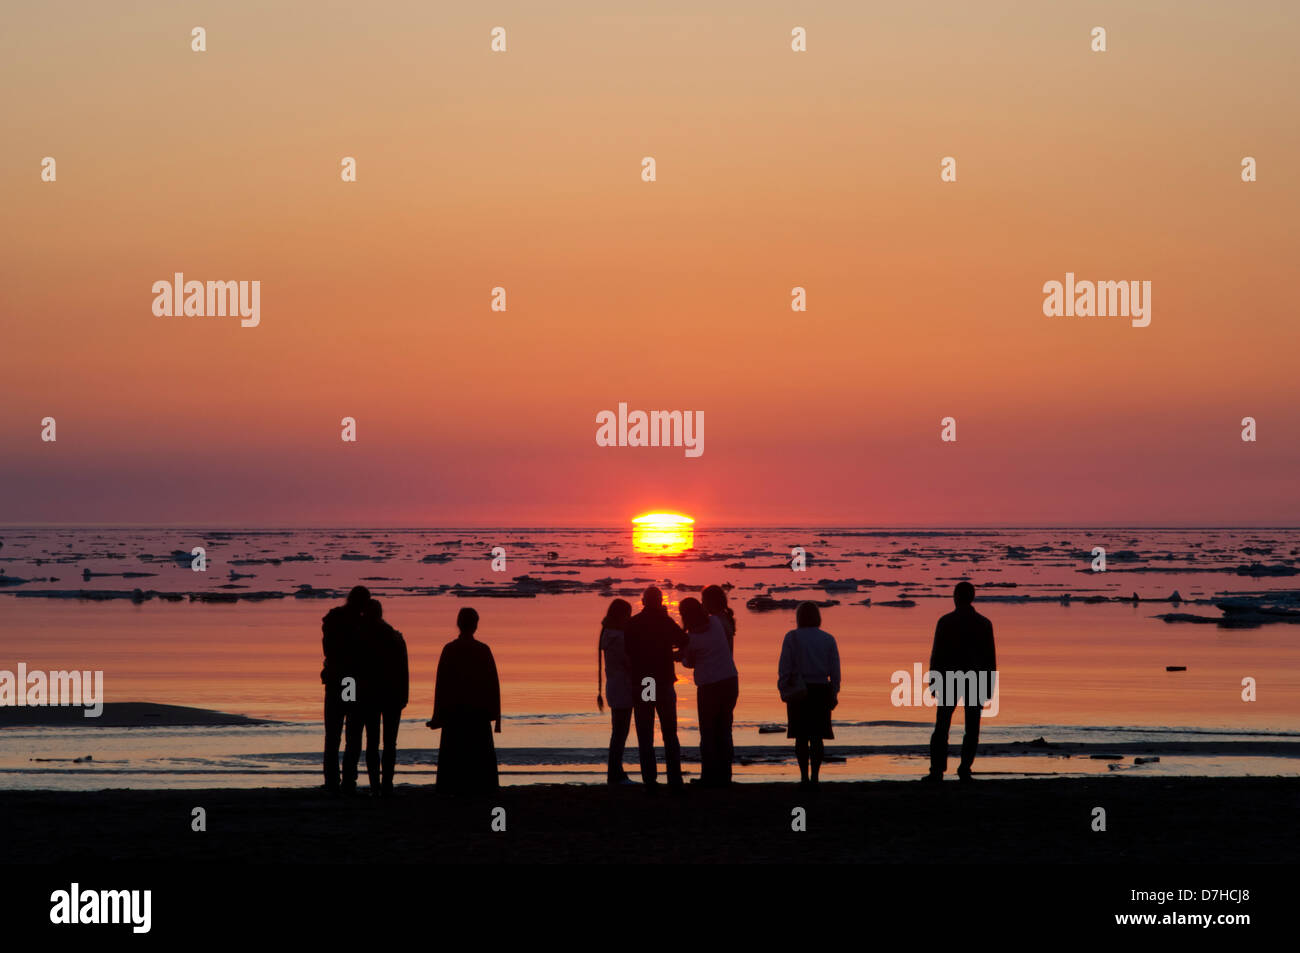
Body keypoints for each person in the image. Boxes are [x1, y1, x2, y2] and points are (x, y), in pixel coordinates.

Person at [923, 581, 997, 783]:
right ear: (972, 597)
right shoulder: (983, 623)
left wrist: (933, 679)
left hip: (950, 678)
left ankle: (937, 770)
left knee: (942, 727)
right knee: (971, 729)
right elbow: (990, 658)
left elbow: (937, 654)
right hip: (975, 678)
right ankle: (964, 768)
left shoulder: (946, 622)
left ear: (956, 597)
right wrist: (989, 685)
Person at [427, 607, 501, 794]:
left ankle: (453, 788)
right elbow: (493, 685)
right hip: (477, 713)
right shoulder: (483, 650)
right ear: (475, 625)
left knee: (454, 754)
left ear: (458, 624)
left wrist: (438, 715)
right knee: (479, 754)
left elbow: (441, 686)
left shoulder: (450, 649)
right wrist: (495, 714)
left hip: (455, 713)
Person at [624, 586, 687, 789]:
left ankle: (649, 779)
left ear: (643, 602)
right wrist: (673, 653)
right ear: (660, 602)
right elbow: (683, 640)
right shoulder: (665, 621)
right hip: (663, 680)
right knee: (669, 732)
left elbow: (627, 650)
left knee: (645, 731)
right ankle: (675, 779)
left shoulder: (633, 623)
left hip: (646, 681)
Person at [778, 602, 841, 787]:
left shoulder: (791, 637)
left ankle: (804, 777)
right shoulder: (828, 639)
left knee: (801, 737)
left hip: (799, 690)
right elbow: (835, 670)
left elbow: (784, 667)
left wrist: (783, 687)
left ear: (799, 617)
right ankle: (815, 777)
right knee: (817, 737)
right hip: (821, 689)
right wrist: (834, 691)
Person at [680, 597, 739, 787]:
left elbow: (689, 662)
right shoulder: (715, 622)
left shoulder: (692, 639)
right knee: (724, 730)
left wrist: (680, 656)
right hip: (729, 680)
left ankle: (708, 776)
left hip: (709, 687)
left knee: (708, 733)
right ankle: (725, 775)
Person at [320, 585, 369, 791]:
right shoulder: (360, 623)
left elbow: (328, 649)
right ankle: (348, 779)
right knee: (352, 732)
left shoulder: (334, 619)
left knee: (333, 733)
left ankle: (332, 780)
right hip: (349, 681)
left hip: (335, 679)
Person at [360, 598, 408, 796]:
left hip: (370, 696)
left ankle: (375, 785)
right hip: (392, 696)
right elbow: (404, 671)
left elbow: (357, 670)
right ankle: (386, 784)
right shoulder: (395, 637)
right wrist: (404, 696)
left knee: (372, 742)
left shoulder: (362, 639)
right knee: (389, 743)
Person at [597, 598, 636, 785]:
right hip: (622, 689)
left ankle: (616, 772)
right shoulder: (618, 638)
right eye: (627, 615)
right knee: (620, 733)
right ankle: (615, 774)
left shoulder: (609, 634)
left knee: (618, 732)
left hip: (615, 687)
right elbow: (629, 663)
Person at [702, 584, 736, 656]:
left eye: (703, 601)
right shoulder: (725, 618)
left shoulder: (715, 622)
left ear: (710, 602)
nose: (702, 604)